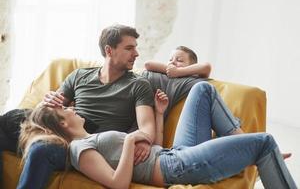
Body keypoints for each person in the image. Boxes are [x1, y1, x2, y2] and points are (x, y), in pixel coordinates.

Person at [19, 83, 297, 189]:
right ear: (63, 124)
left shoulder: (93, 136)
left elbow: (152, 148)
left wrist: (160, 113)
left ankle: (244, 146)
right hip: (175, 167)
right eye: (66, 110)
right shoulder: (79, 150)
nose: (72, 108)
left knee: (203, 90)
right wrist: (129, 140)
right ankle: (261, 155)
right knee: (265, 141)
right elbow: (117, 184)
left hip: (170, 154)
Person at [0, 24, 156, 189]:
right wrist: (46, 102)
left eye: (135, 48)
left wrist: (144, 141)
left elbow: (147, 127)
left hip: (85, 143)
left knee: (41, 150)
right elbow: (48, 113)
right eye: (129, 48)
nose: (136, 54)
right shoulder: (80, 76)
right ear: (109, 50)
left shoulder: (138, 85)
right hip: (59, 127)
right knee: (8, 121)